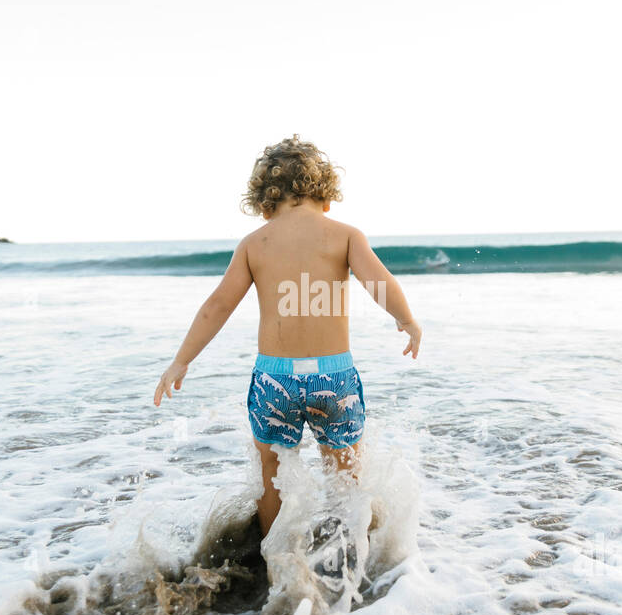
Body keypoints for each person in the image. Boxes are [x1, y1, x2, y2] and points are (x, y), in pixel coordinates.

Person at [153, 135, 421, 536]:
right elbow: (378, 283)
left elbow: (218, 306)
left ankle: (274, 559)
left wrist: (181, 360)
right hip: (333, 377)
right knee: (345, 469)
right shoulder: (345, 235)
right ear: (326, 196)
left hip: (274, 379)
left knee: (271, 471)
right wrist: (406, 320)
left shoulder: (254, 244)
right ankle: (352, 553)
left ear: (264, 204)